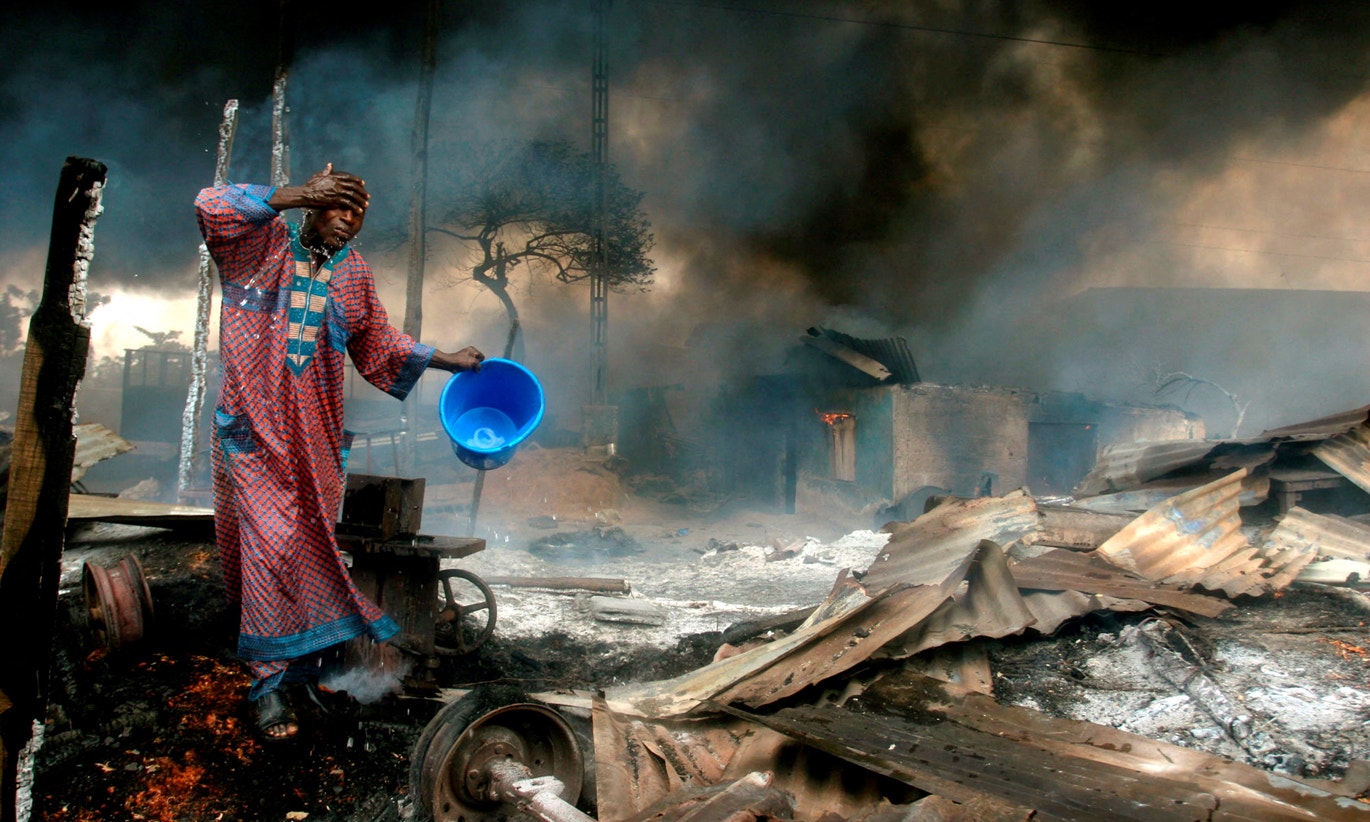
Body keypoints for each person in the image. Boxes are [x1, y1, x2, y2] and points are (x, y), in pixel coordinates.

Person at [195, 164, 484, 740]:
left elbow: (378, 343)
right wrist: (301, 191)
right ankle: (267, 686)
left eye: (358, 214)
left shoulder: (353, 275)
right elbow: (210, 205)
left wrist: (449, 360)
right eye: (338, 207)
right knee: (269, 546)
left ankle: (299, 673)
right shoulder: (260, 244)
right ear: (315, 205)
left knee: (309, 548)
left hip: (315, 440)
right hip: (252, 431)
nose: (349, 222)